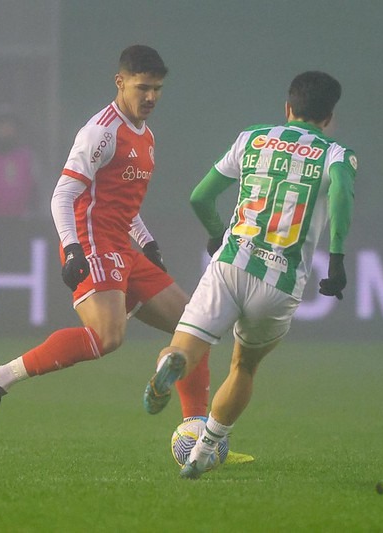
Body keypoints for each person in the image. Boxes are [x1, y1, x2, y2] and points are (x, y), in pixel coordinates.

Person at [0, 44, 252, 464]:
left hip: (123, 242)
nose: (151, 97)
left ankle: (200, 439)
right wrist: (71, 249)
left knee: (196, 325)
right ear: (120, 82)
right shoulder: (100, 132)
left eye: (157, 89)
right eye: (143, 88)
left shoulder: (147, 135)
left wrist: (147, 241)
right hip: (93, 242)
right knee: (108, 336)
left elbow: (124, 202)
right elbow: (62, 195)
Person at [142, 71, 357, 478]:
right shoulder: (336, 154)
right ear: (329, 117)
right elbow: (342, 194)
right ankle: (205, 450)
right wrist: (338, 257)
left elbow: (200, 196)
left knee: (186, 347)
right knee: (243, 367)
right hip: (280, 280)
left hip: (231, 262)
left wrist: (215, 232)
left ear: (287, 108)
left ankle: (171, 363)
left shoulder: (252, 139)